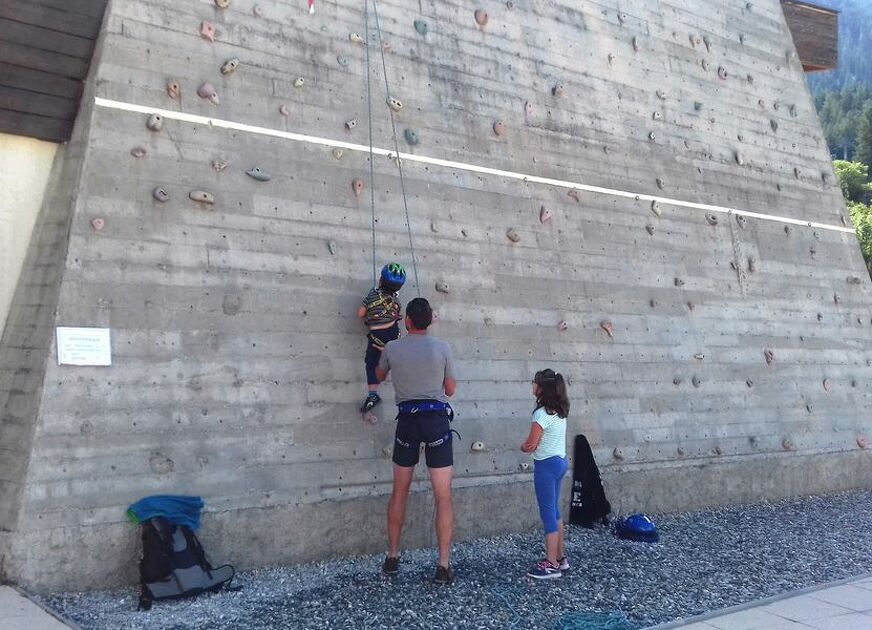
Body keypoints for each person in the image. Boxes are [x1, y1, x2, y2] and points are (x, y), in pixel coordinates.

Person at [375, 297, 457, 584]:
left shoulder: (392, 348)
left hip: (407, 421)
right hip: (435, 421)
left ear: (407, 320)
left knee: (400, 491)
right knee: (443, 495)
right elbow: (450, 389)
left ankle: (393, 557)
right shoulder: (443, 348)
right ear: (430, 321)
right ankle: (443, 565)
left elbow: (379, 374)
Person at [520, 368, 570, 579]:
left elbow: (531, 444)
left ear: (542, 388)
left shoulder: (540, 414)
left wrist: (523, 447)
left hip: (546, 467)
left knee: (548, 513)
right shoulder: (560, 412)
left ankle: (550, 564)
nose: (532, 385)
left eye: (534, 382)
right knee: (556, 512)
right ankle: (560, 558)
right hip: (560, 462)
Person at [357, 263, 406, 412]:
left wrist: (370, 312)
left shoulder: (372, 296)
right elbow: (398, 316)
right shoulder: (396, 302)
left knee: (371, 363)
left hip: (377, 339)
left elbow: (360, 314)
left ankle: (373, 395)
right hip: (394, 338)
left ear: (380, 281)